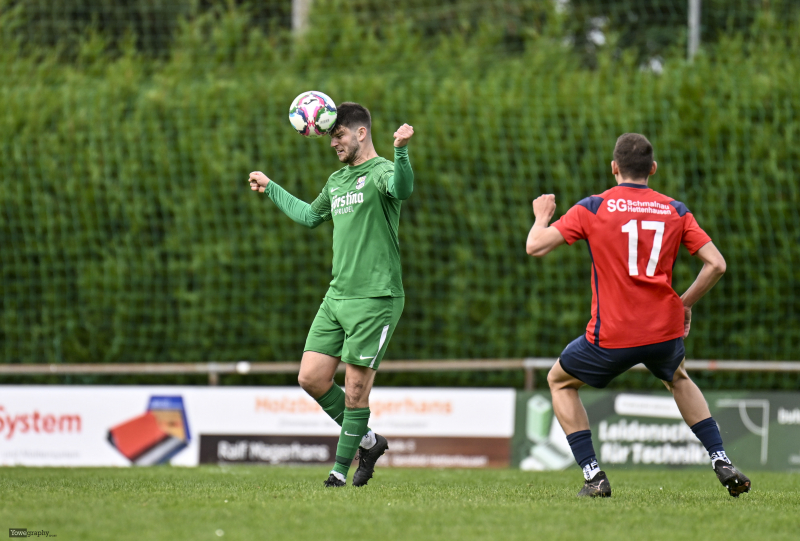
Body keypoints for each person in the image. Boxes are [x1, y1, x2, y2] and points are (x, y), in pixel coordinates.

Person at [525, 133, 750, 498]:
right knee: (678, 377)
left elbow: (534, 246)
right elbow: (717, 265)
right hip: (663, 332)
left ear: (614, 167)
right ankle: (720, 458)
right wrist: (684, 303)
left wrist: (541, 216)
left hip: (611, 335)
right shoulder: (675, 210)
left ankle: (593, 475)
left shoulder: (593, 207)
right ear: (653, 169)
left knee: (559, 382)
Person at [248, 103, 415, 487]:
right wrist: (271, 187)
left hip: (376, 298)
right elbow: (309, 216)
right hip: (337, 297)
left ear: (360, 133)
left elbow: (403, 189)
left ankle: (338, 473)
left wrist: (402, 150)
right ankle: (369, 442)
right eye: (329, 136)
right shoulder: (337, 180)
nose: (332, 143)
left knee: (356, 390)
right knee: (311, 378)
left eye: (338, 135)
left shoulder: (383, 171)